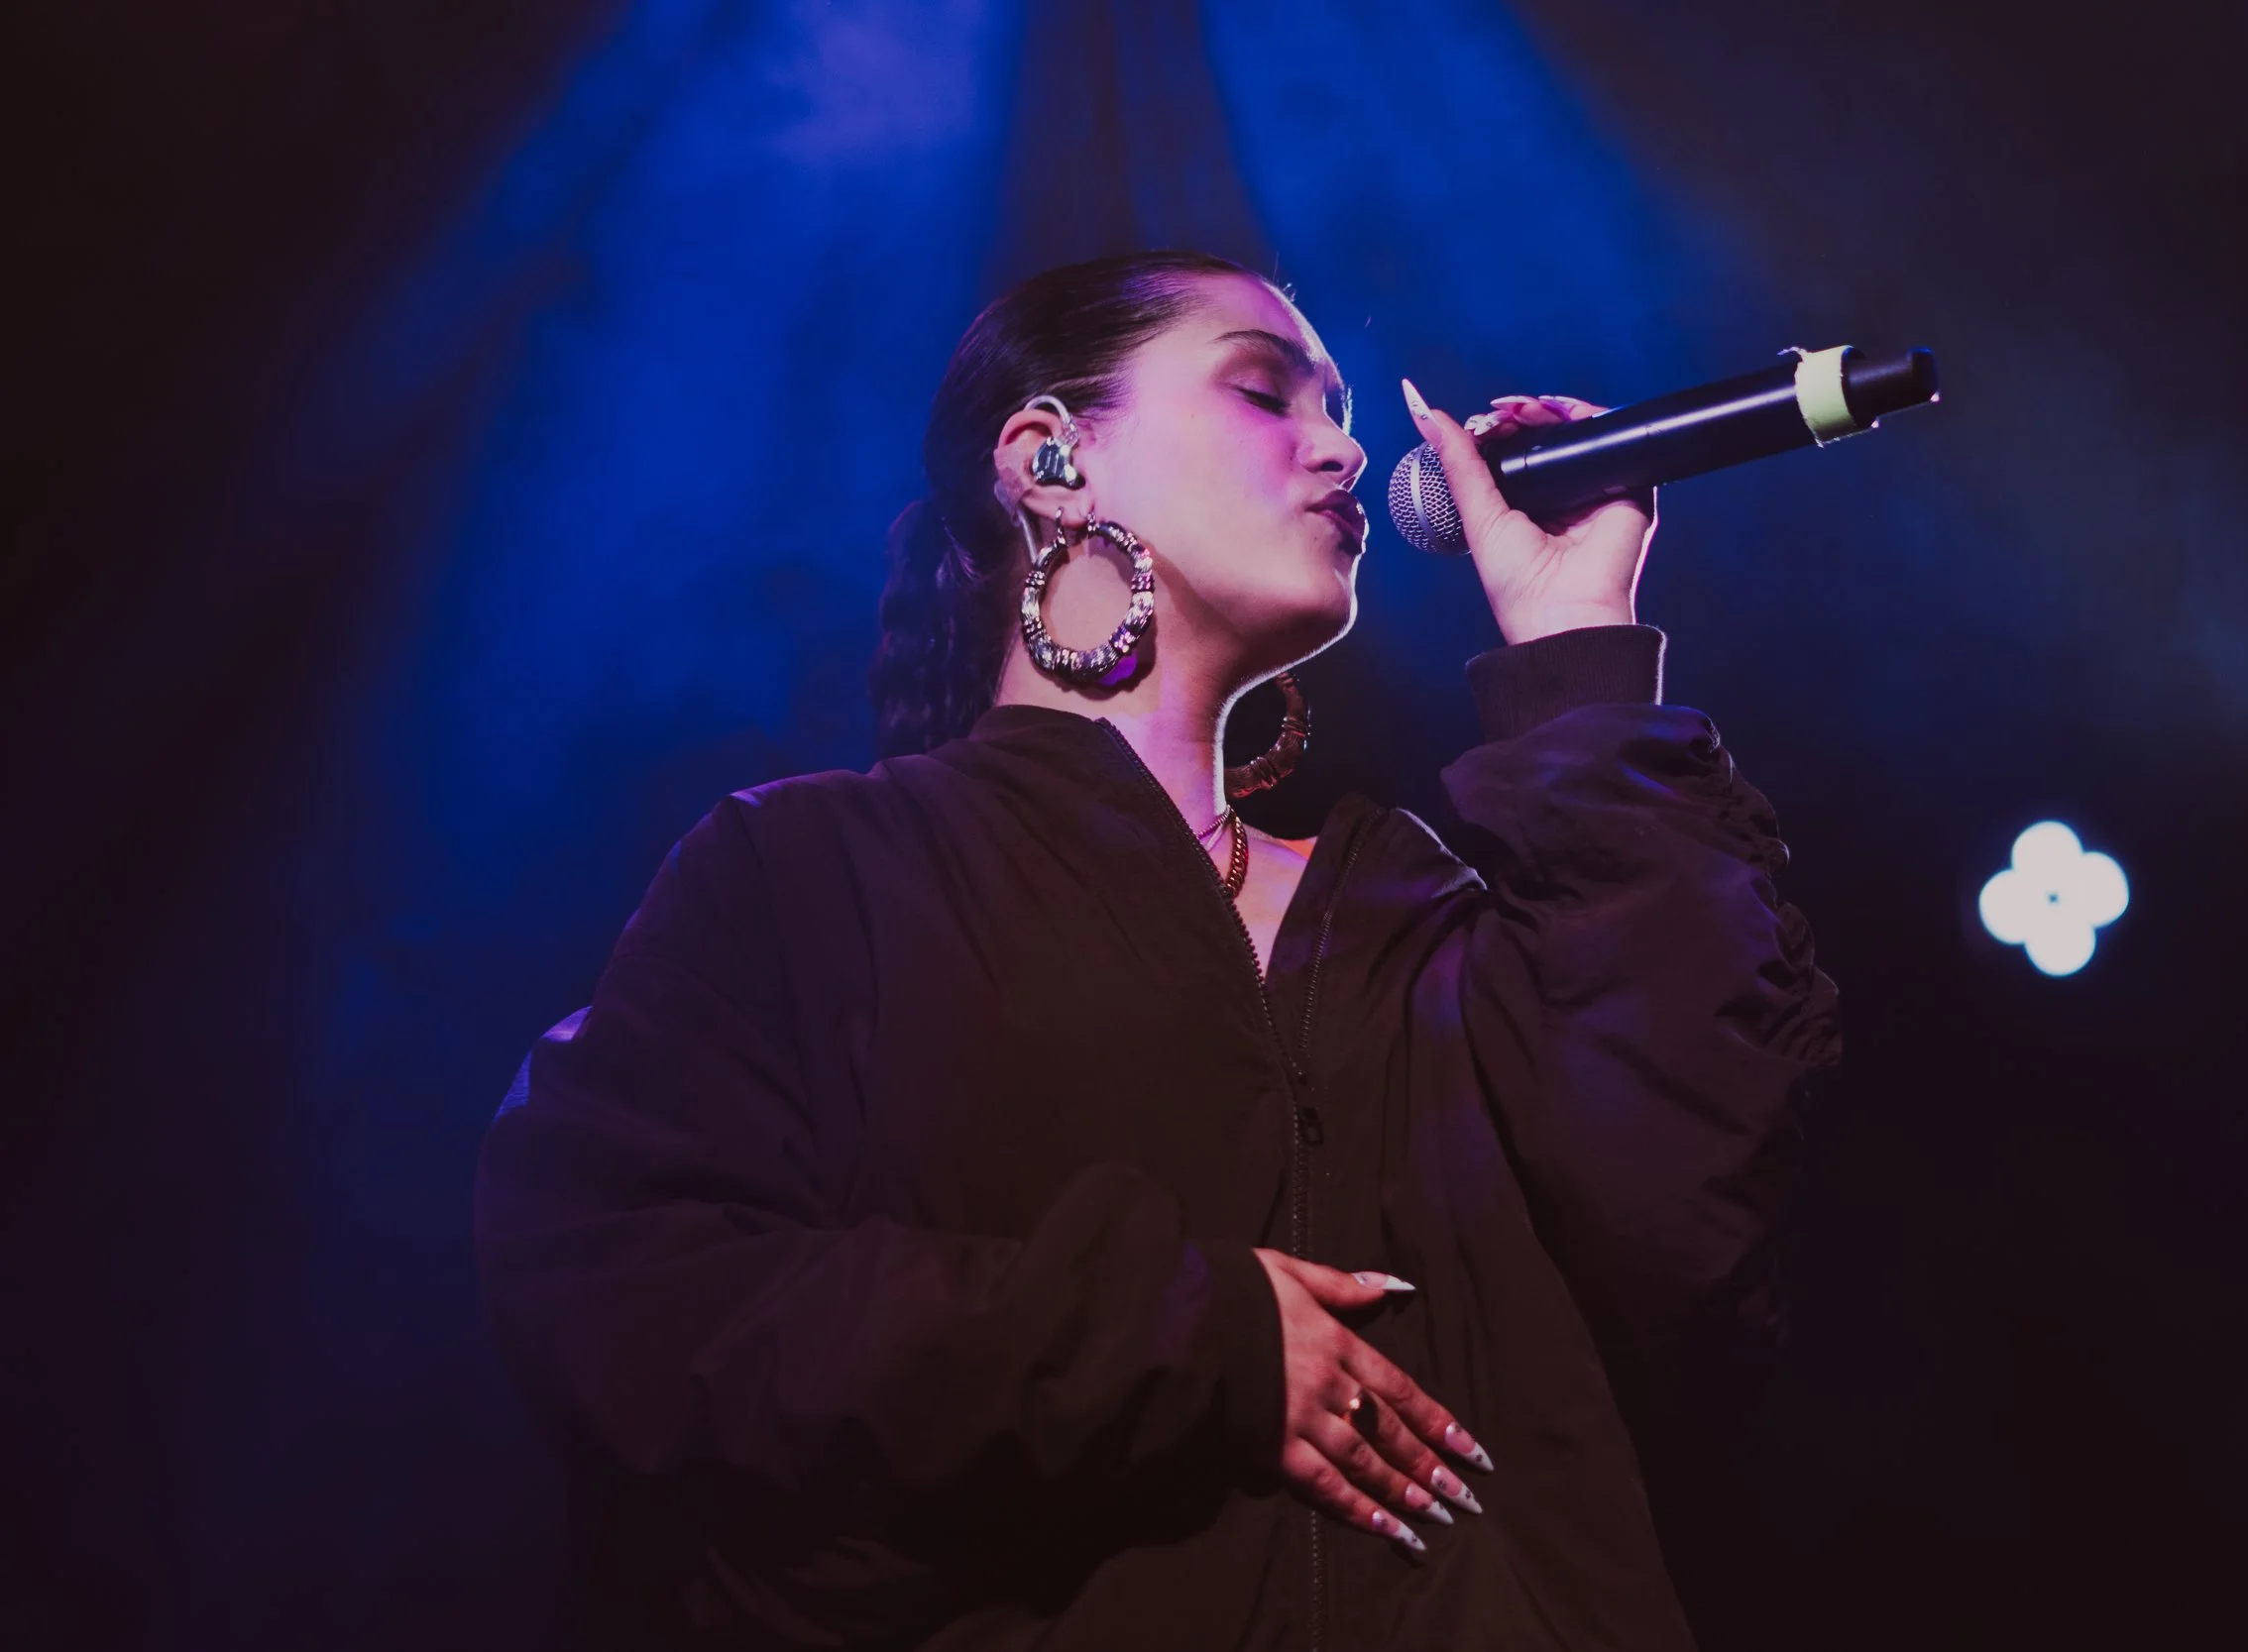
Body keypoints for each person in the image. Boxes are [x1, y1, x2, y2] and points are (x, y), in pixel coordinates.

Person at [473, 249, 1839, 1650]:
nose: (1346, 447)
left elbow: (1686, 1204)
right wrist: (1187, 1336)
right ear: (1050, 458)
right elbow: (631, 1294)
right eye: (1266, 392)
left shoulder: (1417, 918)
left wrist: (1574, 646)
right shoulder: (817, 875)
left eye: (1343, 406)